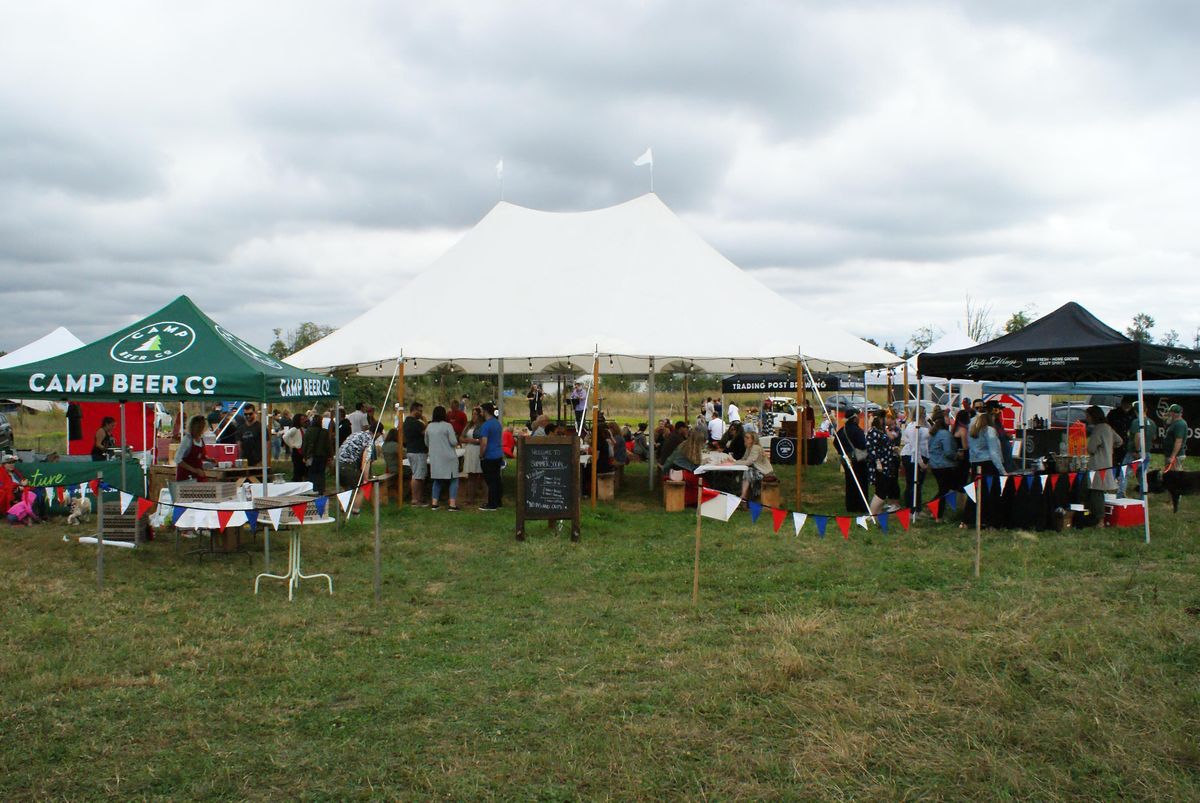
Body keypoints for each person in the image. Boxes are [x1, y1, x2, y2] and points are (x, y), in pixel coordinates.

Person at [963, 410, 1006, 529]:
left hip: (975, 463)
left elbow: (970, 449)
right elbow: (994, 452)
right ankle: (991, 522)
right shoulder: (990, 431)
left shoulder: (972, 429)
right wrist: (1002, 470)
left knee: (974, 493)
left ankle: (969, 520)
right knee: (991, 494)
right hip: (988, 464)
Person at [1085, 405, 1123, 525]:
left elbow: (1091, 448)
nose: (1087, 418)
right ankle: (1095, 517)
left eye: (1088, 416)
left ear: (1093, 416)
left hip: (1097, 465)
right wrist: (1109, 447)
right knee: (1098, 492)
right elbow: (1119, 441)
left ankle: (1099, 520)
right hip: (1107, 463)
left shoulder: (1098, 429)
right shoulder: (1108, 427)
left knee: (1096, 493)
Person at [337, 425, 380, 514]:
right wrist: (366, 478)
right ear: (378, 433)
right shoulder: (369, 440)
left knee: (347, 488)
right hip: (348, 465)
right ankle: (355, 512)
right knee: (360, 489)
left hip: (337, 464)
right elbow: (366, 461)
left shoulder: (356, 434)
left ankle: (342, 510)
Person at [424, 406, 460, 511]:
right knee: (453, 479)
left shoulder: (429, 427)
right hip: (449, 457)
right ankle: (452, 504)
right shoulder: (448, 426)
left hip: (436, 457)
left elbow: (426, 442)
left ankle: (434, 503)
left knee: (437, 479)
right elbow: (453, 442)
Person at [836, 410, 870, 513]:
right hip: (858, 460)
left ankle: (851, 506)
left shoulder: (841, 430)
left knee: (850, 483)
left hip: (847, 459)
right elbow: (863, 444)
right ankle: (861, 505)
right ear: (855, 418)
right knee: (861, 482)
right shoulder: (857, 431)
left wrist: (843, 452)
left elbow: (835, 442)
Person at [866, 413, 900, 515]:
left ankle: (877, 513)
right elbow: (871, 448)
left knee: (882, 490)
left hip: (886, 464)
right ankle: (872, 514)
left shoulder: (881, 431)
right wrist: (877, 462)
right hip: (880, 465)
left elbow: (881, 446)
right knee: (881, 492)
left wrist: (892, 449)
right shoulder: (873, 432)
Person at [899, 407, 930, 510]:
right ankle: (912, 508)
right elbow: (914, 447)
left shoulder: (925, 425)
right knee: (913, 482)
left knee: (919, 483)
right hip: (912, 456)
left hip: (923, 455)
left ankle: (917, 506)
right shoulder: (913, 427)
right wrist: (921, 462)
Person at [927, 410, 960, 503]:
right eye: (948, 417)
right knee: (945, 490)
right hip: (945, 465)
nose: (950, 419)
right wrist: (957, 456)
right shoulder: (945, 434)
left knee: (944, 489)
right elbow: (949, 452)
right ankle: (935, 508)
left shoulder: (933, 433)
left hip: (935, 464)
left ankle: (936, 509)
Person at [477, 402, 504, 511]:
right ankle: (498, 501)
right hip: (498, 454)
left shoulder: (485, 425)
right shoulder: (497, 423)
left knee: (490, 481)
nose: (481, 413)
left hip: (489, 456)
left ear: (485, 411)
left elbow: (484, 442)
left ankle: (491, 504)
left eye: (481, 411)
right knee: (497, 479)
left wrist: (481, 454)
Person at [735, 430, 774, 500]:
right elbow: (744, 459)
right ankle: (743, 494)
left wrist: (733, 463)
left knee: (748, 472)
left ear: (753, 439)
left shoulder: (755, 447)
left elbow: (748, 462)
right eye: (745, 437)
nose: (745, 439)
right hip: (758, 471)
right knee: (746, 472)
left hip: (765, 473)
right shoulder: (749, 448)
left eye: (747, 438)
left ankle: (743, 496)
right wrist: (733, 461)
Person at [403, 402, 428, 507]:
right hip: (418, 451)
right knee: (417, 476)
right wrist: (426, 422)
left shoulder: (406, 421)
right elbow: (426, 433)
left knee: (418, 475)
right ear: (414, 410)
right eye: (420, 411)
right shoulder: (416, 423)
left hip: (411, 450)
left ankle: (419, 497)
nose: (421, 413)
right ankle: (415, 499)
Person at [302, 411, 332, 493]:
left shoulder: (308, 431)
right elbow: (328, 445)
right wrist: (330, 456)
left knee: (312, 473)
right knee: (321, 473)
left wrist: (304, 456)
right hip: (322, 456)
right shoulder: (324, 432)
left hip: (311, 456)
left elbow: (305, 445)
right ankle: (321, 489)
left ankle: (313, 489)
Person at [460, 407, 484, 504]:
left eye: (476, 414)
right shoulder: (468, 425)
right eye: (473, 414)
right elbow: (461, 437)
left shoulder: (482, 426)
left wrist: (475, 441)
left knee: (479, 473)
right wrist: (469, 441)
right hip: (469, 450)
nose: (474, 416)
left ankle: (481, 496)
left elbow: (482, 440)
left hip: (477, 450)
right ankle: (470, 498)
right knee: (470, 474)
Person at [175, 415, 209, 482]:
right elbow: (177, 459)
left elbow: (198, 456)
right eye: (202, 427)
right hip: (186, 477)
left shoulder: (201, 439)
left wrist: (208, 459)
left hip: (198, 475)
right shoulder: (187, 440)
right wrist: (195, 470)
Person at [1163, 403, 1188, 472]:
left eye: (1170, 412)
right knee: (1169, 475)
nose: (1169, 414)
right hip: (1170, 454)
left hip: (1176, 456)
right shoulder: (1174, 422)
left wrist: (1172, 456)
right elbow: (1167, 424)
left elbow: (1178, 441)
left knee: (1174, 476)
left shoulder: (1180, 424)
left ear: (1174, 413)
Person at [283, 413, 307, 482]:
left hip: (301, 451)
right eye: (302, 419)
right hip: (297, 451)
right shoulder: (294, 429)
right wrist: (291, 444)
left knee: (302, 469)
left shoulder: (301, 429)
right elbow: (285, 437)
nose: (303, 421)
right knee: (297, 470)